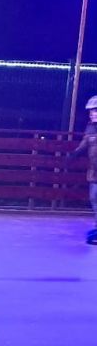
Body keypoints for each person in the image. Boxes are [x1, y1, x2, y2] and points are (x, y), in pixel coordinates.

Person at [67, 95, 97, 244]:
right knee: (94, 198)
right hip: (94, 172)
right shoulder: (90, 128)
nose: (92, 113)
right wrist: (74, 154)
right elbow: (84, 144)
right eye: (90, 111)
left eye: (95, 110)